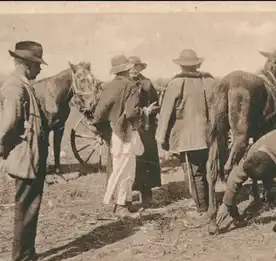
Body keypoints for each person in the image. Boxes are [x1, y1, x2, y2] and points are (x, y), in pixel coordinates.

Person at [0, 41, 49, 261]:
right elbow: (9, 124)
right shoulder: (15, 87)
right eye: (37, 65)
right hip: (24, 155)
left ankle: (28, 252)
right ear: (27, 65)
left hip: (31, 153)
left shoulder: (23, 84)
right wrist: (1, 148)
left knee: (31, 204)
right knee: (26, 206)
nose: (40, 70)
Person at [155, 49, 216, 227]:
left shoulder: (176, 83)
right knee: (207, 170)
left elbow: (166, 114)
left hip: (187, 138)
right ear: (198, 65)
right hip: (209, 134)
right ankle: (210, 203)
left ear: (181, 65)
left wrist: (161, 138)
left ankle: (202, 210)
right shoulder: (209, 81)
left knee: (193, 173)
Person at [92, 55, 143, 218]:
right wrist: (143, 112)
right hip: (127, 132)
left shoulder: (109, 87)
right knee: (126, 170)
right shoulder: (132, 86)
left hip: (114, 133)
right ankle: (121, 207)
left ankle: (124, 203)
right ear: (128, 69)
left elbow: (99, 114)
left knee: (119, 168)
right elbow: (131, 112)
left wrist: (105, 132)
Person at [128, 56, 162, 207]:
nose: (133, 69)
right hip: (128, 128)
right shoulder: (124, 84)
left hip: (146, 128)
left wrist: (149, 112)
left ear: (141, 68)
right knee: (129, 163)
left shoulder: (147, 84)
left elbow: (155, 103)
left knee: (146, 160)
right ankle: (126, 197)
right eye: (130, 66)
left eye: (136, 66)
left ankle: (146, 195)